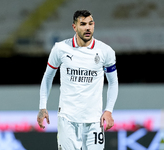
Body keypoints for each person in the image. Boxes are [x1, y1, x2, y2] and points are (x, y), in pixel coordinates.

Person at [37, 10, 118, 150]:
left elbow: (113, 82)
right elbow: (48, 77)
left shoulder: (106, 51)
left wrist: (109, 110)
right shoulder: (60, 49)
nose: (88, 28)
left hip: (94, 120)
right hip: (67, 119)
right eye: (83, 24)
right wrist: (42, 106)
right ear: (74, 27)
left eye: (90, 24)